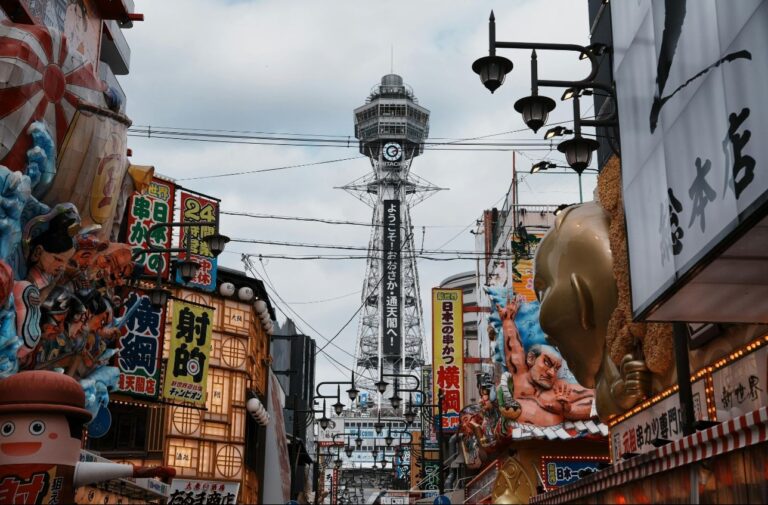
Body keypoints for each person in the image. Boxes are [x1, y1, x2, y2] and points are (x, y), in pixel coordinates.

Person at [533, 202, 651, 420]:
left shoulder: (638, 327)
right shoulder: (611, 353)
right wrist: (622, 392)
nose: (549, 338)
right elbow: (605, 401)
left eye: (544, 289)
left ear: (583, 303)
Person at [496, 295, 594, 425]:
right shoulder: (520, 378)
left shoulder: (561, 391)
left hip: (558, 435)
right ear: (531, 358)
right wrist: (508, 320)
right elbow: (514, 350)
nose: (551, 373)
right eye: (547, 363)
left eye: (556, 369)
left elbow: (598, 399)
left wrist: (570, 409)